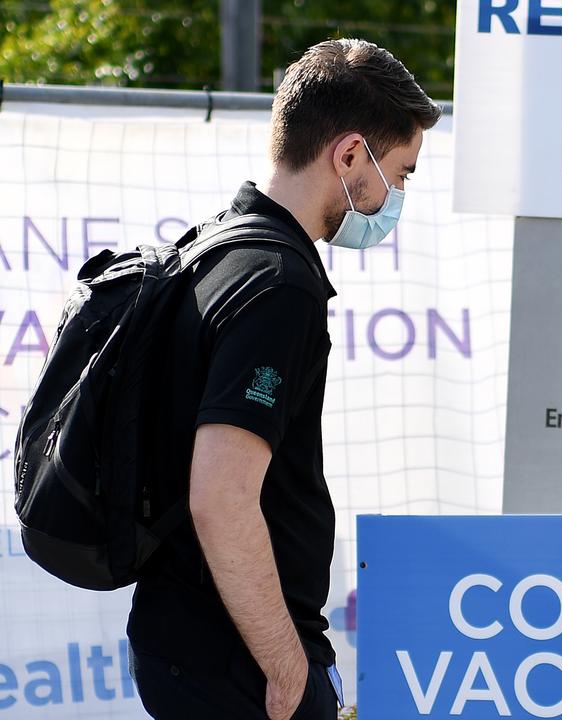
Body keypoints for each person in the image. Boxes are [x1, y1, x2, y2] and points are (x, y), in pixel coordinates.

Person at [126, 38, 440, 719]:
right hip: (236, 662)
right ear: (350, 154)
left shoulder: (216, 245)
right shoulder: (278, 284)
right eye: (402, 173)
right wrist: (286, 667)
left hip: (186, 641)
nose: (398, 196)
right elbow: (222, 496)